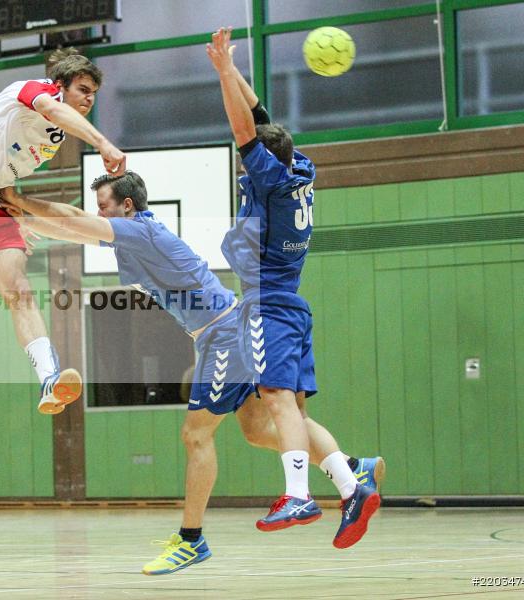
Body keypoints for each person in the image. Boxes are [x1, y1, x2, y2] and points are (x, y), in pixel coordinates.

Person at [0, 172, 382, 576]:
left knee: (196, 434)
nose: (100, 214)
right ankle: (351, 468)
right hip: (224, 329)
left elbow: (71, 218)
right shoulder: (130, 238)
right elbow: (70, 229)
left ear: (127, 205)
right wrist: (24, 222)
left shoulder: (138, 232)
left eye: (104, 206)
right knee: (258, 429)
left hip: (223, 334)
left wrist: (18, 199)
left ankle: (191, 539)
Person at [206, 27, 382, 548]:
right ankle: (353, 485)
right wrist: (232, 68)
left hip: (268, 306)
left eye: (249, 154)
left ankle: (299, 495)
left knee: (277, 398)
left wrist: (220, 72)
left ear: (260, 160)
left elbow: (244, 128)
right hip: (292, 305)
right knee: (294, 414)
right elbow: (259, 119)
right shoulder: (298, 166)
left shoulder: (268, 177)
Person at [0, 47, 127, 461]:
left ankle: (49, 378)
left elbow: (7, 174)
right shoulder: (30, 91)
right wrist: (103, 142)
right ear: (60, 85)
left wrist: (18, 214)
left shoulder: (56, 135)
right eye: (83, 90)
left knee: (19, 288)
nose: (89, 99)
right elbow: (53, 108)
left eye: (94, 94)